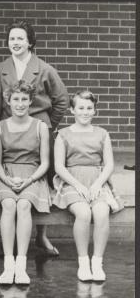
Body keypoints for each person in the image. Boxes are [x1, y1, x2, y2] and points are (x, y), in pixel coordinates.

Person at [0, 20, 69, 256]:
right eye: (12, 39)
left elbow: (61, 100)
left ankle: (41, 235)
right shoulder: (1, 68)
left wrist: (47, 126)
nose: (15, 43)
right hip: (11, 131)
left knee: (43, 181)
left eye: (20, 38)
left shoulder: (44, 68)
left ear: (30, 42)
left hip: (38, 129)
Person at [53, 90, 124, 281]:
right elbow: (59, 167)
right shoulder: (63, 134)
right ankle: (83, 262)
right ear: (72, 110)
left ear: (94, 111)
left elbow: (109, 164)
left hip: (96, 180)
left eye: (89, 108)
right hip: (71, 181)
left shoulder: (102, 134)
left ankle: (97, 262)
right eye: (81, 108)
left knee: (101, 212)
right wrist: (78, 186)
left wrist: (97, 184)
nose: (85, 112)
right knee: (83, 213)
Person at [0, 81, 51, 285]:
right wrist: (6, 179)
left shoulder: (40, 126)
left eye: (24, 99)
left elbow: (45, 162)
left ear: (30, 101)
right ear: (8, 101)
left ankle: (21, 264)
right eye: (15, 99)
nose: (20, 104)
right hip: (6, 173)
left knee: (23, 205)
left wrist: (29, 180)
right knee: (9, 204)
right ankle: (9, 264)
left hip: (33, 175)